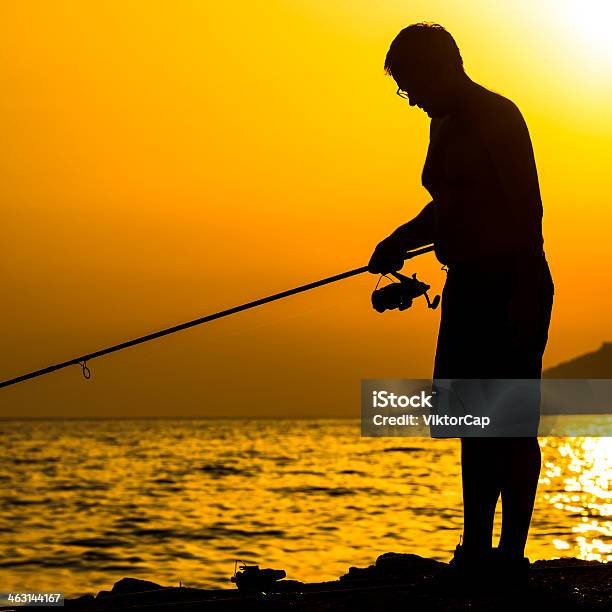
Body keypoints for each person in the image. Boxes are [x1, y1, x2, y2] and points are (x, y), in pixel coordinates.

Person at [368, 23, 554, 589]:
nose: (412, 98)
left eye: (412, 84)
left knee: (512, 423)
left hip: (512, 281)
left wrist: (520, 293)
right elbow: (448, 205)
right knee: (473, 424)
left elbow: (527, 209)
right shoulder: (442, 124)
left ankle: (510, 555)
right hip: (468, 285)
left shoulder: (498, 117)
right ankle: (476, 548)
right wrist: (401, 237)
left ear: (444, 66)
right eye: (404, 88)